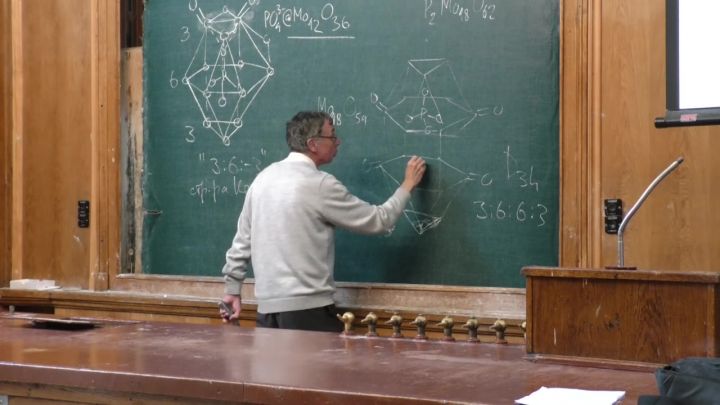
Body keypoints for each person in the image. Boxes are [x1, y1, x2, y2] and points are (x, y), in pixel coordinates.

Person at [219, 111, 426, 332]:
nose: (338, 141)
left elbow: (242, 241)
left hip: (267, 313)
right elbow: (378, 220)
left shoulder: (262, 179)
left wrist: (232, 290)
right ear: (313, 144)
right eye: (332, 135)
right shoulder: (319, 184)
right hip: (307, 314)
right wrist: (407, 185)